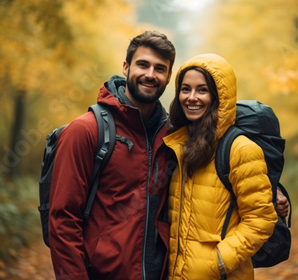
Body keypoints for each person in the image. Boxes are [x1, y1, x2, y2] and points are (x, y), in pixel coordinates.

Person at [48, 30, 176, 280]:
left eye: (160, 68)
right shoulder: (86, 131)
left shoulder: (172, 137)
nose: (150, 75)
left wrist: (273, 190)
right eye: (143, 64)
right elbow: (63, 221)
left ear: (169, 76)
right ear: (126, 67)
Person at [163, 53, 278, 280]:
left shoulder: (240, 149)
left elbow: (261, 219)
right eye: (185, 89)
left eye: (202, 90)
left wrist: (218, 262)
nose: (191, 97)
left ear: (219, 97)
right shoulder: (176, 146)